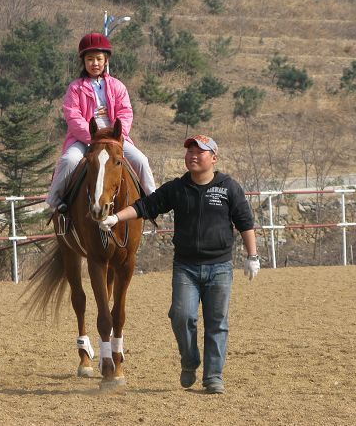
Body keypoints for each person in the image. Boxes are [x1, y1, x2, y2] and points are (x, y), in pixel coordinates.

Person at [98, 134, 259, 394]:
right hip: (186, 267)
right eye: (189, 152)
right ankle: (189, 359)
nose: (193, 156)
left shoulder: (229, 187)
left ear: (214, 158)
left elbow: (245, 222)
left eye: (200, 152)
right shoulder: (177, 188)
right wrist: (116, 218)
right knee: (181, 315)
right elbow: (145, 206)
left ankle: (213, 377)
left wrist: (253, 257)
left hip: (220, 267)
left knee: (217, 322)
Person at [46, 32, 156, 210]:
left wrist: (117, 135)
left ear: (106, 61)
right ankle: (55, 199)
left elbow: (125, 112)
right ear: (84, 61)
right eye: (90, 59)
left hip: (114, 138)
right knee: (69, 160)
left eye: (99, 59)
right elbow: (73, 117)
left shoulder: (117, 86)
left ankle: (153, 200)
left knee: (141, 160)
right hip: (85, 138)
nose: (95, 63)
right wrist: (93, 136)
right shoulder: (75, 88)